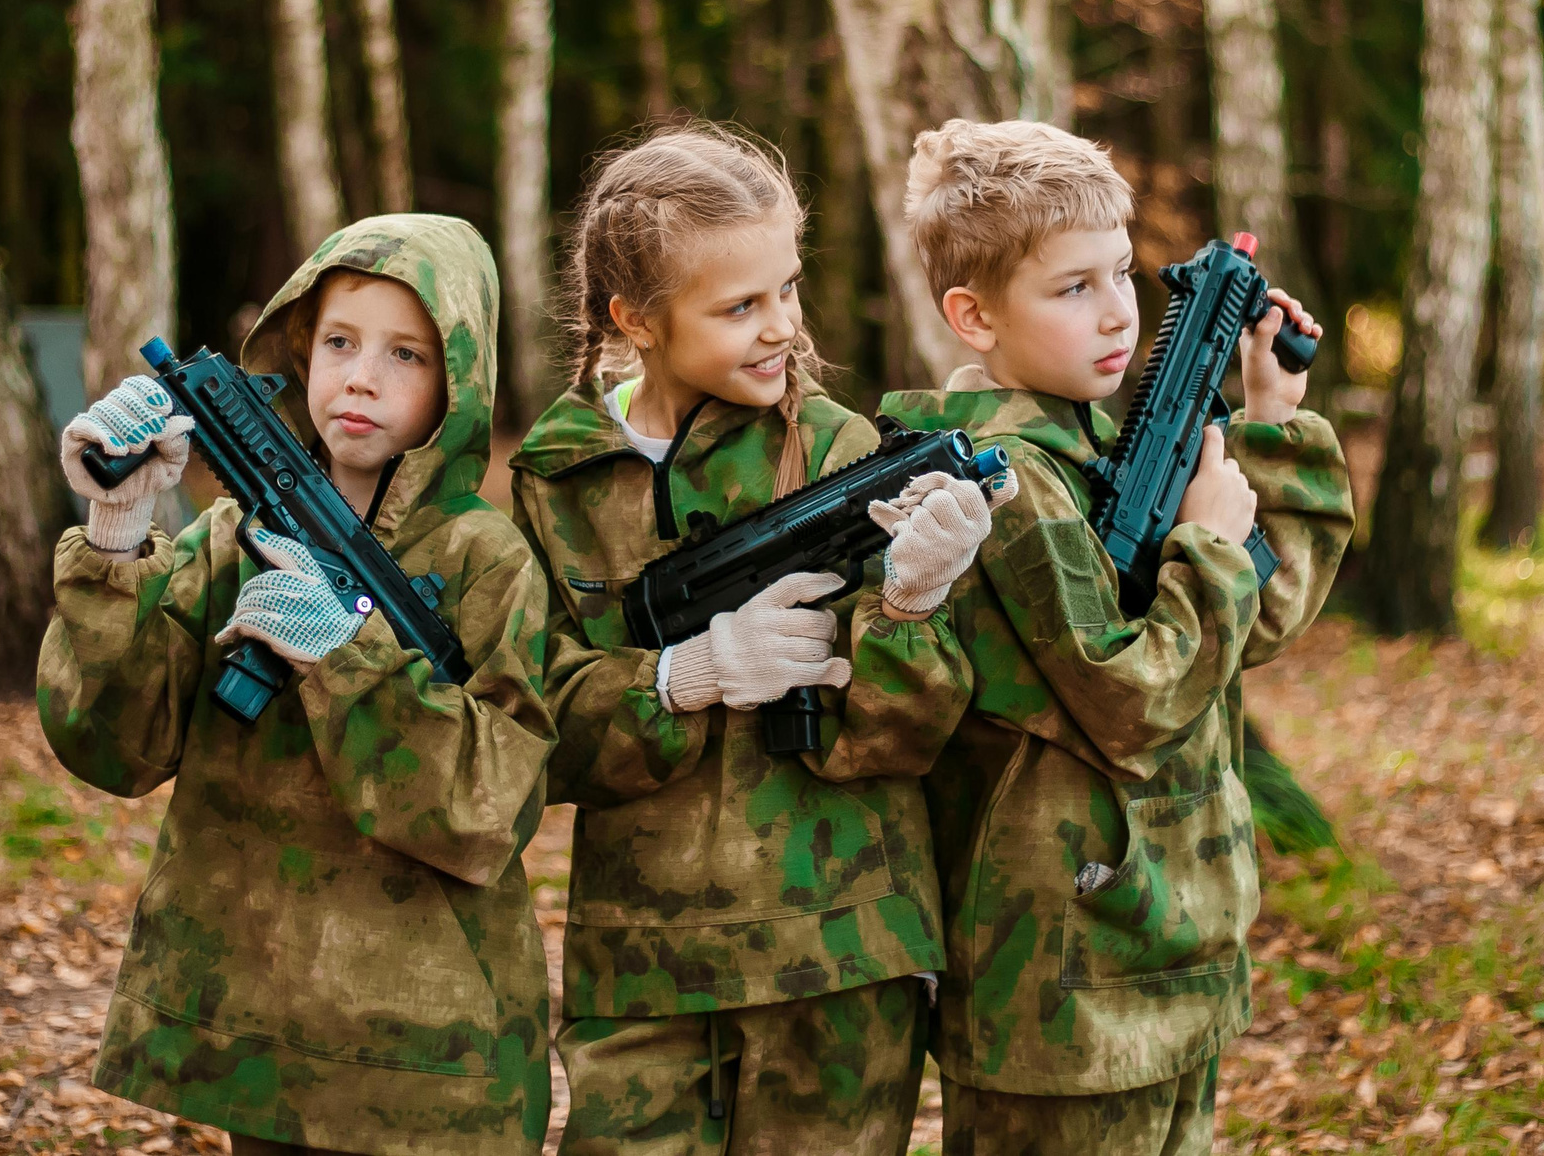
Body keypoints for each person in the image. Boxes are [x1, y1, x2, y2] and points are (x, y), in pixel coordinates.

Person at [509, 124, 996, 1156]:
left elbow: (900, 740)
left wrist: (908, 610)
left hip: (840, 953)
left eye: (788, 288)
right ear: (632, 320)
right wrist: (680, 679)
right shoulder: (557, 478)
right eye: (739, 306)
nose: (781, 327)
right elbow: (529, 724)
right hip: (642, 963)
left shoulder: (840, 454)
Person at [877, 120, 1354, 1156]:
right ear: (972, 315)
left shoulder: (1100, 441)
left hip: (1164, 950)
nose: (1114, 315)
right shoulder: (1003, 482)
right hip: (1060, 990)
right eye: (1070, 288)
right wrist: (1211, 552)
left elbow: (1250, 628)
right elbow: (1130, 699)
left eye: (1119, 278)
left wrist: (1272, 416)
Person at [39, 215, 556, 1156]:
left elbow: (493, 807)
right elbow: (115, 741)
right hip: (262, 1035)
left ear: (458, 384)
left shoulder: (488, 559)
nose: (361, 376)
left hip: (423, 1053)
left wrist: (347, 657)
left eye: (406, 354)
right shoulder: (231, 534)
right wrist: (116, 524)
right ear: (298, 350)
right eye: (338, 343)